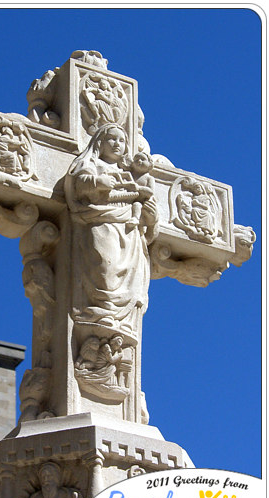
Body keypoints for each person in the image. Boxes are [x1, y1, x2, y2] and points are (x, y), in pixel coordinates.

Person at [64, 123, 158, 339]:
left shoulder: (130, 174)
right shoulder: (90, 163)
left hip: (129, 229)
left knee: (127, 274)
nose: (118, 144)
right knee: (104, 266)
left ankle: (119, 319)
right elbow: (80, 184)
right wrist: (98, 181)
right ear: (100, 142)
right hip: (99, 221)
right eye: (112, 139)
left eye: (122, 140)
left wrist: (152, 219)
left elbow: (146, 210)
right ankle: (101, 310)